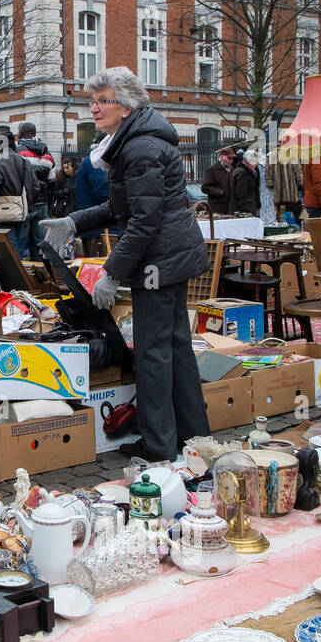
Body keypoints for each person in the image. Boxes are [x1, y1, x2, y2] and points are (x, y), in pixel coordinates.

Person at [41, 66, 210, 462]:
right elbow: (125, 208)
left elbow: (144, 222)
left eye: (103, 101)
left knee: (154, 352)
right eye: (92, 101)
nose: (94, 109)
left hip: (161, 260)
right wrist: (73, 221)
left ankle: (158, 447)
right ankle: (191, 438)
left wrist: (112, 273)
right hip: (170, 256)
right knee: (174, 347)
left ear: (127, 108)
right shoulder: (135, 141)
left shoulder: (139, 148)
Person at [0, 130, 37, 258]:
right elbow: (35, 188)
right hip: (22, 212)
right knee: (19, 250)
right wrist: (27, 205)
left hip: (2, 213)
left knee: (10, 252)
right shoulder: (24, 161)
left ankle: (15, 277)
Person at [17, 122, 55, 258]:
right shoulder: (46, 152)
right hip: (42, 202)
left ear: (20, 133)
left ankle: (21, 274)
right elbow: (51, 180)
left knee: (20, 242)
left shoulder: (18, 150)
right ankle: (42, 274)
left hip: (25, 201)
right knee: (40, 242)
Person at [74, 149, 111, 256]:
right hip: (100, 229)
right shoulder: (96, 160)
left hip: (95, 227)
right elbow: (103, 190)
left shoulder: (92, 159)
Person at [228, 149, 263, 216]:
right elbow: (240, 194)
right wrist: (244, 211)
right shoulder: (242, 172)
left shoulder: (250, 171)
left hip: (250, 207)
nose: (256, 163)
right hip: (246, 210)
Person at [201, 148, 235, 215]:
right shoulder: (212, 170)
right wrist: (220, 192)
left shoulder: (231, 170)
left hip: (229, 208)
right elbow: (205, 188)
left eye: (232, 159)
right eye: (229, 158)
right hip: (217, 208)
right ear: (222, 157)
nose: (231, 161)